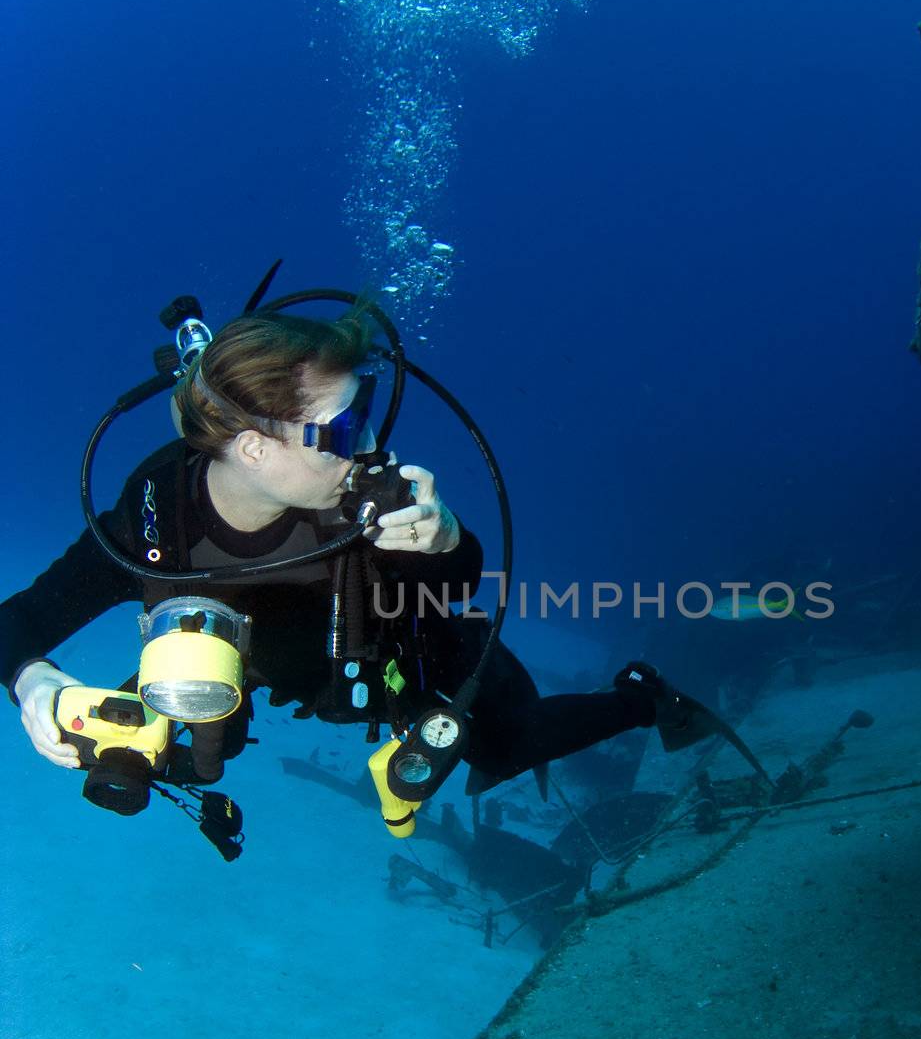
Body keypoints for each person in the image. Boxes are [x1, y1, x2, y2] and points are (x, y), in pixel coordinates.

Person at [1, 306, 716, 813]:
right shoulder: (153, 523)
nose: (368, 445)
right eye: (341, 429)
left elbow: (454, 587)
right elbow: (18, 622)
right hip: (289, 670)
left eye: (363, 411)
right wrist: (32, 685)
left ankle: (645, 697)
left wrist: (442, 537)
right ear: (253, 449)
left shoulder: (362, 503)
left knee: (506, 748)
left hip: (410, 658)